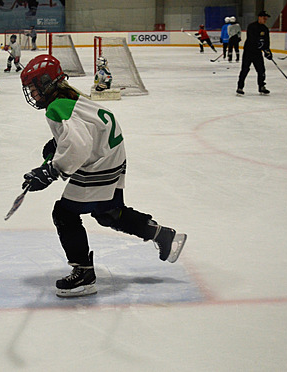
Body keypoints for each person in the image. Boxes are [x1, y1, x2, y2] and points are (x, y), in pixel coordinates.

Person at [18, 54, 187, 298]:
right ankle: (163, 235)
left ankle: (84, 274)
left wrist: (51, 170)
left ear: (47, 82)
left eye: (34, 89)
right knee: (108, 212)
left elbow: (78, 147)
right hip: (113, 155)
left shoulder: (56, 107)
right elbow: (84, 129)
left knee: (64, 214)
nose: (33, 95)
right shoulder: (71, 95)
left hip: (101, 162)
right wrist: (58, 144)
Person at [236, 11, 272, 96]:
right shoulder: (252, 26)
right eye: (264, 18)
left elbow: (266, 41)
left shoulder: (265, 29)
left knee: (261, 70)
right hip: (249, 51)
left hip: (257, 53)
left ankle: (261, 86)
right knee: (245, 69)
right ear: (259, 17)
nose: (265, 20)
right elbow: (251, 38)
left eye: (266, 18)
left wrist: (267, 51)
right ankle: (240, 87)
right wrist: (258, 43)